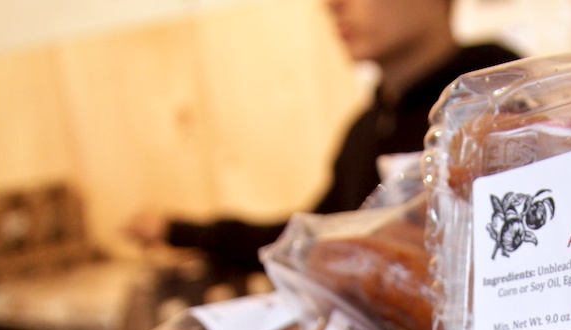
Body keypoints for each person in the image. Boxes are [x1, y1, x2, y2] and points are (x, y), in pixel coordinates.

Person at [126, 0, 518, 274]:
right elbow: (308, 241)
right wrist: (178, 231)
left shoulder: (508, 100)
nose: (332, 4)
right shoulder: (364, 132)